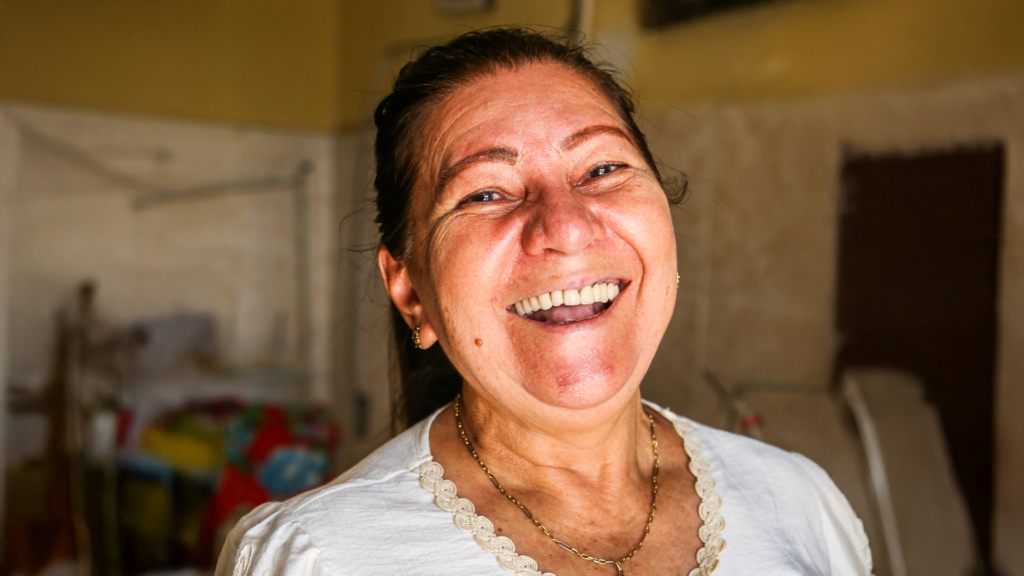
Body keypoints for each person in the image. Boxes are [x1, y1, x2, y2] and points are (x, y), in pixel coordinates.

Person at [215, 28, 873, 576]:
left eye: (602, 169)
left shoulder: (799, 502)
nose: (566, 226)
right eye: (486, 193)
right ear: (411, 292)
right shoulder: (318, 555)